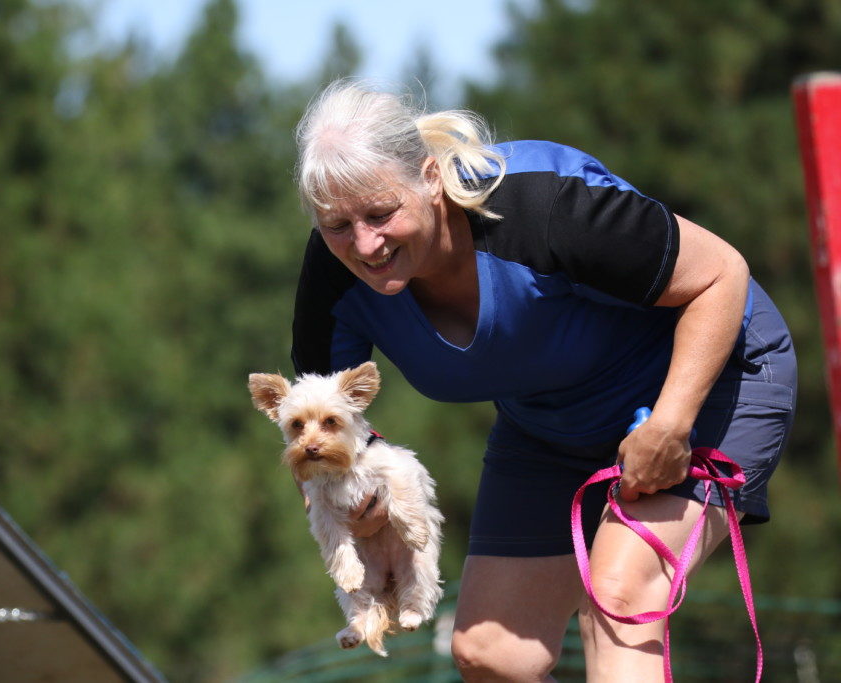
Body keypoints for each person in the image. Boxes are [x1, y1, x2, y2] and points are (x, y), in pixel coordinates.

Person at [287, 79, 796, 681]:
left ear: (430, 177)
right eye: (337, 224)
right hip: (550, 424)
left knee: (620, 596)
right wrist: (361, 502)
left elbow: (720, 274)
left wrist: (670, 424)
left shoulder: (542, 209)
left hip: (710, 378)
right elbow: (316, 425)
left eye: (381, 214)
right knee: (491, 655)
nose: (364, 244)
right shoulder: (334, 272)